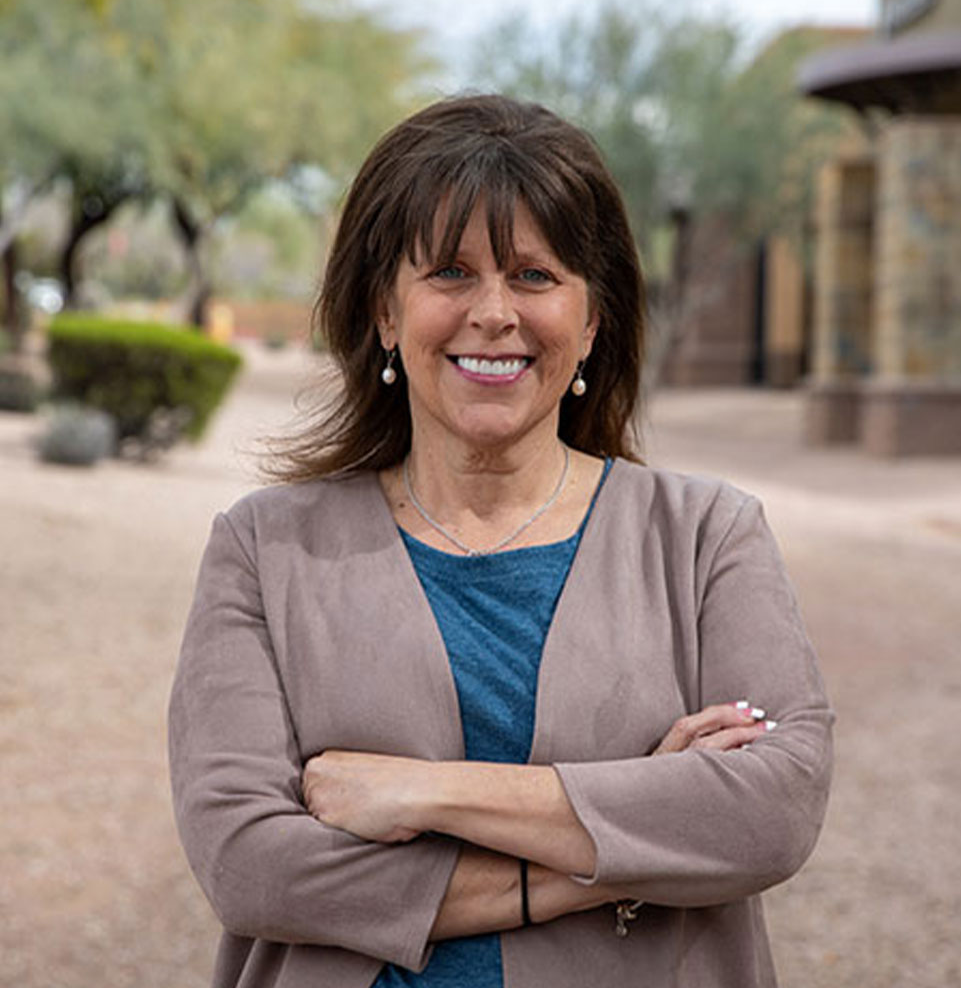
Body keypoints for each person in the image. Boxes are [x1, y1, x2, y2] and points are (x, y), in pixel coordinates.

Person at [168, 94, 833, 988]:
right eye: (449, 272)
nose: (493, 312)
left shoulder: (707, 536)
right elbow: (249, 866)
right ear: (383, 314)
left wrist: (423, 793)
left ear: (592, 319)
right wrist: (624, 844)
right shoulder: (265, 550)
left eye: (533, 276)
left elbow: (772, 811)